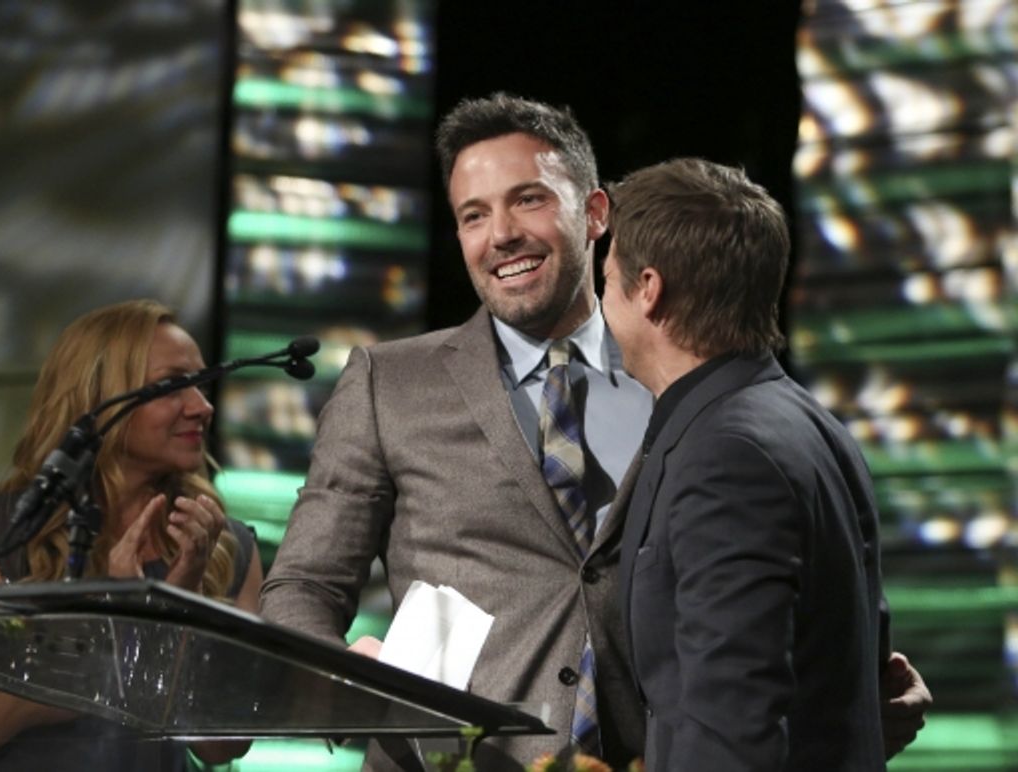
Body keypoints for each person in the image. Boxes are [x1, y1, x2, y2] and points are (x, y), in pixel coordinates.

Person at [259, 94, 930, 771]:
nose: (501, 235)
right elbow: (301, 589)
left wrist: (850, 704)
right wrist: (338, 677)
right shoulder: (387, 384)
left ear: (595, 213)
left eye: (528, 200)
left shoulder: (682, 374)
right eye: (473, 215)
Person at [602, 157, 895, 770]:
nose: (602, 299)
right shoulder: (807, 422)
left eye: (607, 278)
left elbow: (732, 727)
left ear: (648, 290)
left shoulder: (728, 455)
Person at [0, 299, 262, 771]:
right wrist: (113, 618)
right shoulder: (10, 526)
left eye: (201, 385)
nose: (202, 407)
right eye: (173, 385)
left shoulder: (224, 546)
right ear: (99, 399)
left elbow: (223, 744)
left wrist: (182, 600)